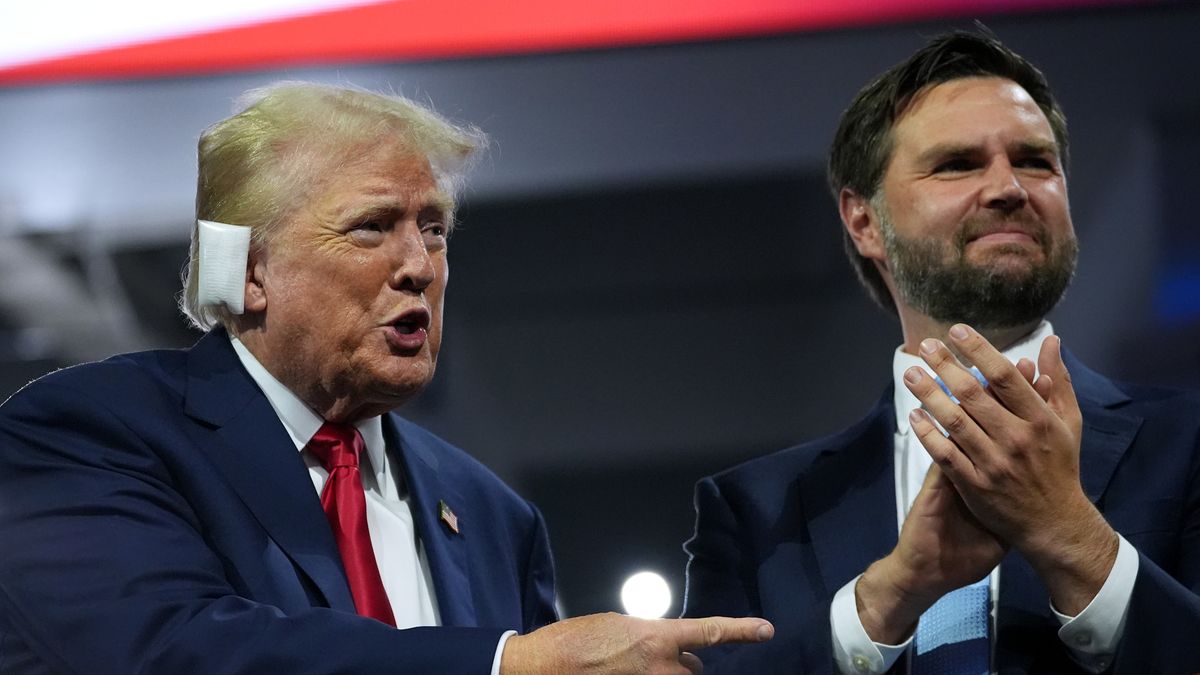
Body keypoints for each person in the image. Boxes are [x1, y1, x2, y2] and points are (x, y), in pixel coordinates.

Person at [0, 82, 772, 674]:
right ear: (251, 271)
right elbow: (177, 651)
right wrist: (508, 663)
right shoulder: (86, 434)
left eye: (433, 228)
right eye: (372, 227)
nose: (419, 266)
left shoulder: (491, 515)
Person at [681, 31, 1200, 674]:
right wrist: (887, 597)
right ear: (864, 221)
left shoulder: (1188, 443)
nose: (1009, 187)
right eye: (958, 164)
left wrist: (1071, 536)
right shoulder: (755, 511)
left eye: (1035, 161)